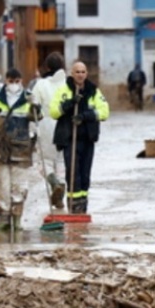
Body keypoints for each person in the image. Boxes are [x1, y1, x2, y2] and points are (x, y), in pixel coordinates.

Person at [49, 60, 110, 214]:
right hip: (70, 139)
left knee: (85, 173)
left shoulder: (93, 91)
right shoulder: (63, 90)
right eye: (77, 72)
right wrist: (69, 104)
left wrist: (85, 116)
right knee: (73, 172)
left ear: (86, 74)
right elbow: (53, 112)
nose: (80, 75)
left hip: (87, 138)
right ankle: (73, 205)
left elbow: (104, 112)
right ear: (72, 73)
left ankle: (83, 205)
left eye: (83, 72)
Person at [0, 68, 42, 229]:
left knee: (19, 185)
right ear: (6, 81)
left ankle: (17, 219)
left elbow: (37, 118)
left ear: (21, 81)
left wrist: (36, 106)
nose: (13, 85)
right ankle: (4, 219)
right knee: (3, 186)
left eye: (17, 81)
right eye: (11, 81)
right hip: (1, 149)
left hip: (21, 149)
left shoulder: (27, 99)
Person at [31, 53, 69, 211]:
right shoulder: (69, 83)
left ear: (46, 67)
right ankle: (60, 193)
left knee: (43, 161)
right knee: (61, 161)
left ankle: (54, 183)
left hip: (46, 125)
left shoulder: (40, 85)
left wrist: (32, 131)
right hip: (65, 126)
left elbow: (33, 107)